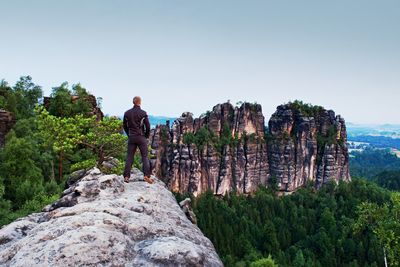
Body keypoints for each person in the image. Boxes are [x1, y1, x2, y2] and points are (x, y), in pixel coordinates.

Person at [123, 96, 153, 184]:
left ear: (133, 102)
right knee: (144, 156)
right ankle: (146, 176)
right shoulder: (143, 113)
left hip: (132, 137)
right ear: (140, 102)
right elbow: (148, 126)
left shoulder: (127, 113)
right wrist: (146, 136)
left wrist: (129, 134)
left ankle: (126, 177)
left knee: (129, 157)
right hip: (141, 137)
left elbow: (124, 125)